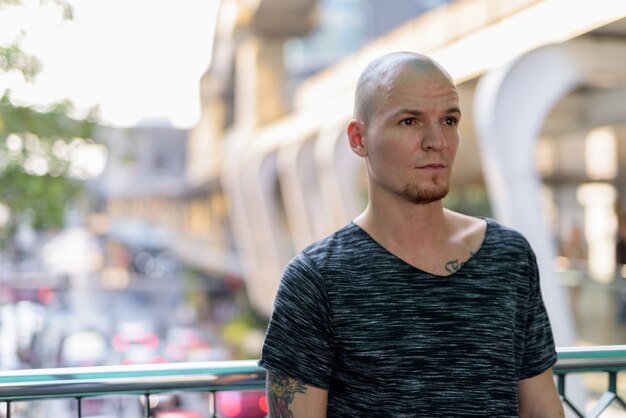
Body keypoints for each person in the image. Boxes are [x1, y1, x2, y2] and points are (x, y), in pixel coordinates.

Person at [259, 51, 564, 417]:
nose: (437, 141)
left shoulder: (508, 256)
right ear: (359, 139)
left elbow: (541, 411)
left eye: (449, 120)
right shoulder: (315, 280)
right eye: (409, 121)